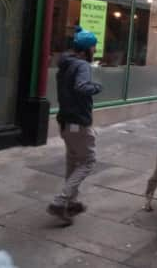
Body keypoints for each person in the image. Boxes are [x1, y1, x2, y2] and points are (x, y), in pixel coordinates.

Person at [48, 27, 102, 224]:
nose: (95, 51)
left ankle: (71, 201)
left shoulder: (66, 64)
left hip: (65, 121)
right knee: (88, 161)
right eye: (93, 47)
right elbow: (81, 87)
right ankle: (60, 200)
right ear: (86, 49)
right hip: (78, 122)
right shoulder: (82, 66)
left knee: (73, 161)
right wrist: (97, 86)